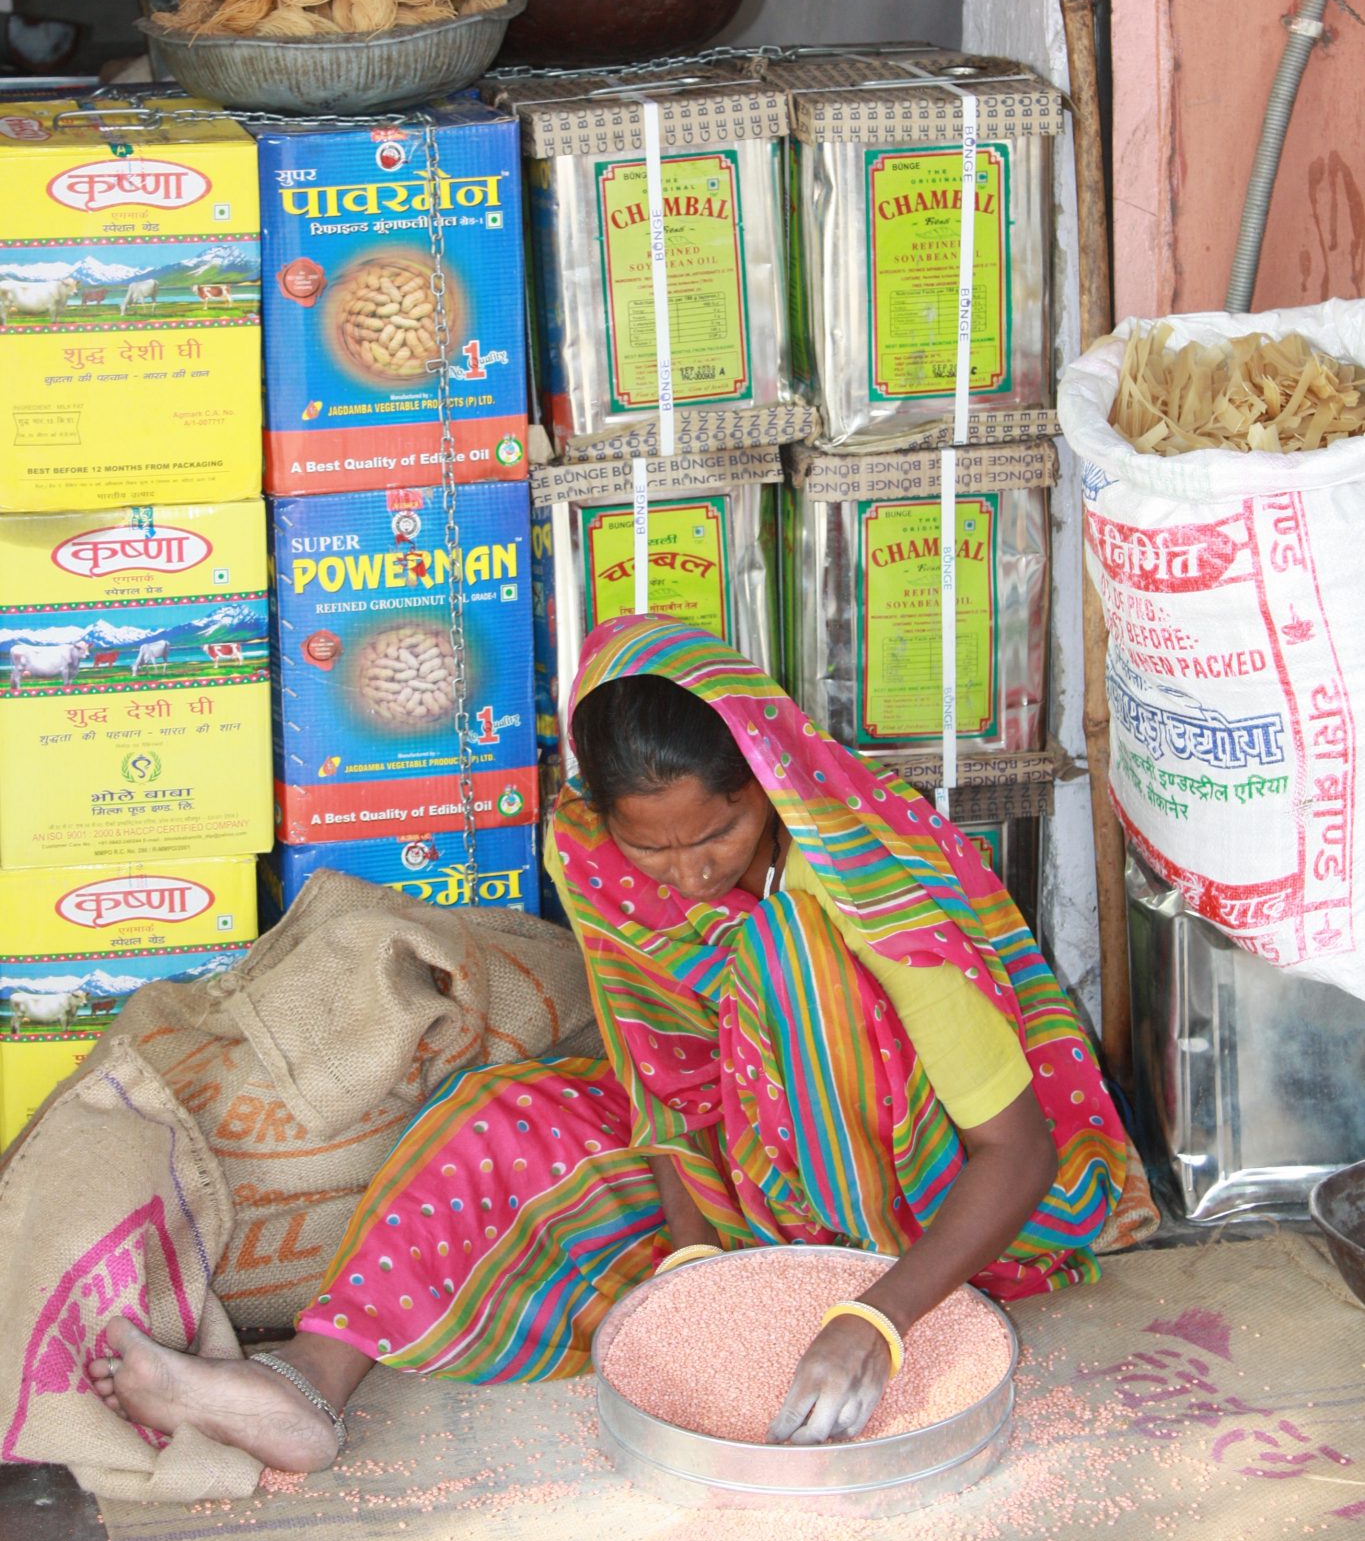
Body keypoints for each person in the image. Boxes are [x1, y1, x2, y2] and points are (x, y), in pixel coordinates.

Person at [90, 615, 1126, 1469]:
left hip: (926, 1196)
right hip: (742, 1183)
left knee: (785, 961)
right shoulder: (602, 867)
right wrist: (690, 1271)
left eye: (714, 834)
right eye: (650, 844)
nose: (685, 874)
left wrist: (881, 1319)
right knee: (502, 1112)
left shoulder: (863, 872)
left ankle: (829, 1287)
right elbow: (667, 1081)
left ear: (765, 782)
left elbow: (1020, 1151)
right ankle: (306, 1382)